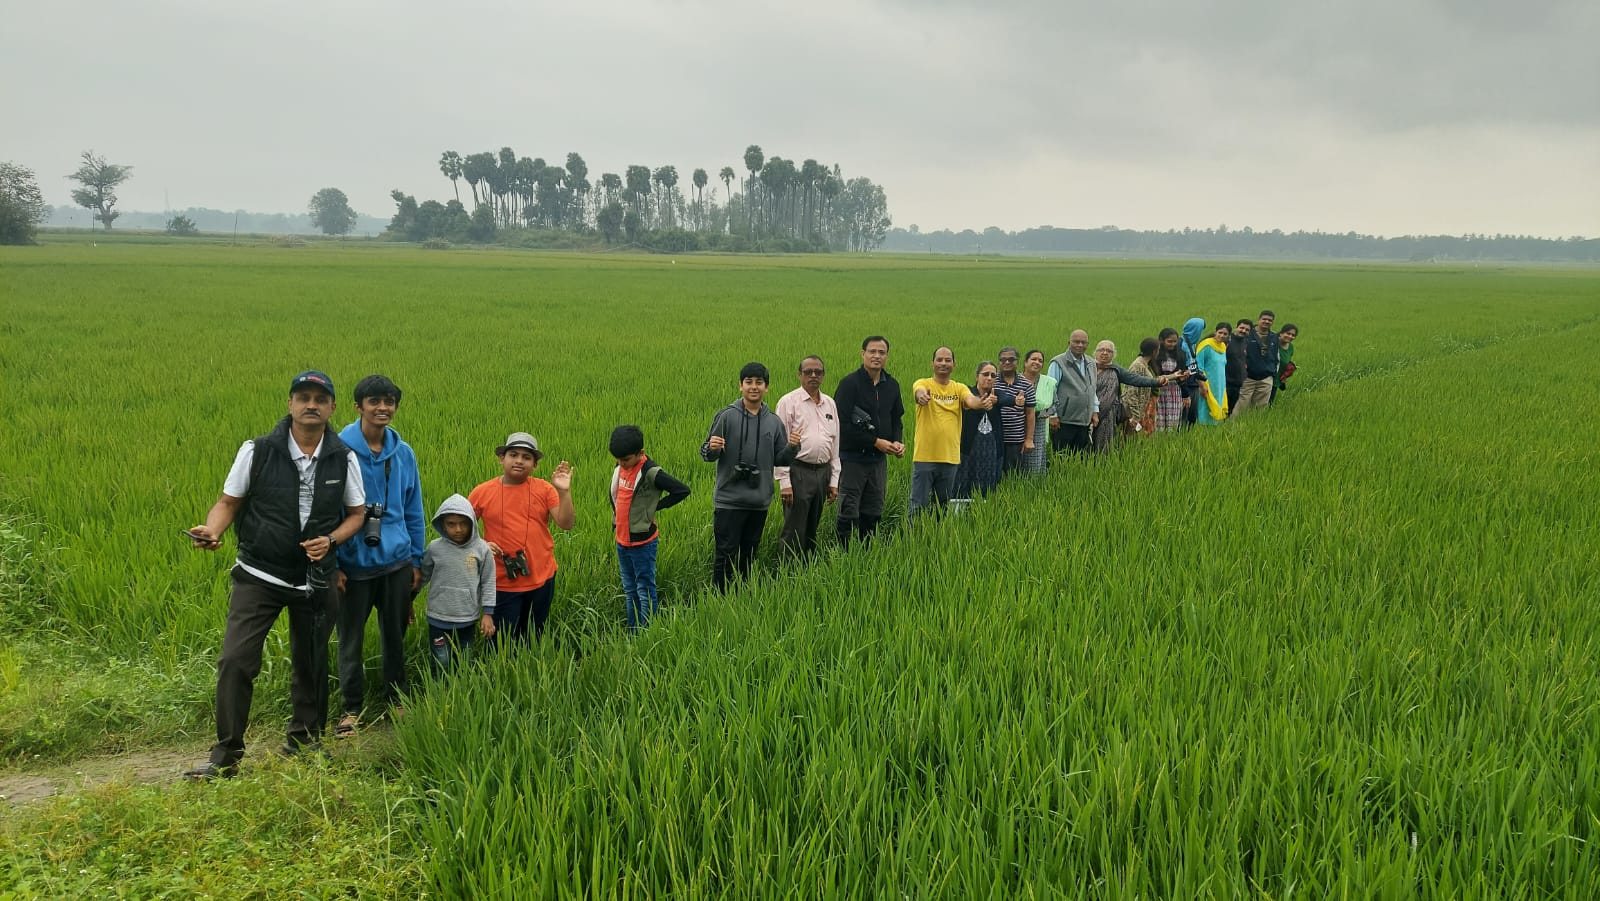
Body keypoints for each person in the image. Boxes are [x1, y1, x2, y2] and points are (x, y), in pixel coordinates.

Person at [183, 370, 366, 781]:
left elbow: (356, 514)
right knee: (236, 660)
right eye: (303, 396)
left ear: (332, 407)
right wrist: (213, 530)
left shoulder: (343, 457)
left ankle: (303, 742)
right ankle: (225, 756)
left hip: (316, 578)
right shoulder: (258, 450)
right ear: (290, 404)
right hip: (258, 574)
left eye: (320, 398)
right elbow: (228, 502)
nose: (311, 404)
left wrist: (332, 540)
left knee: (312, 662)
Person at [332, 374, 426, 738]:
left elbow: (413, 508)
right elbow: (329, 512)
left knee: (395, 635)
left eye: (389, 401)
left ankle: (396, 698)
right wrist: (335, 564)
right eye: (374, 401)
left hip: (397, 563)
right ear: (359, 407)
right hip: (353, 565)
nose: (382, 408)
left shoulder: (404, 453)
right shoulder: (338, 451)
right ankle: (351, 708)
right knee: (350, 637)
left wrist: (416, 560)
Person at [700, 363, 802, 590]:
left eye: (759, 382)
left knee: (749, 555)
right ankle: (720, 600)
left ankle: (743, 597)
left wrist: (793, 447)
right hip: (729, 500)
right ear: (740, 386)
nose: (753, 387)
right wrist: (713, 448)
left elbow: (781, 459)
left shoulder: (774, 422)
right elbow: (706, 454)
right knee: (725, 556)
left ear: (766, 387)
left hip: (759, 501)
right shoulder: (726, 417)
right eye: (748, 382)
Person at [468, 432, 575, 644]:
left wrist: (564, 492)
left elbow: (566, 523)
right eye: (513, 454)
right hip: (501, 582)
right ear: (502, 458)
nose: (519, 461)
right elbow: (461, 530)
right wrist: (479, 544)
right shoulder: (482, 492)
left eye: (526, 457)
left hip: (541, 578)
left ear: (534, 465)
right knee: (501, 644)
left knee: (533, 638)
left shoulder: (544, 489)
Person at [608, 425, 691, 630]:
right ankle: (633, 630)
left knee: (644, 588)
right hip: (622, 540)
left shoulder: (651, 472)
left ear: (640, 454)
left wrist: (655, 508)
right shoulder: (620, 469)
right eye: (618, 459)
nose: (621, 464)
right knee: (630, 589)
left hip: (642, 543)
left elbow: (682, 490)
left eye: (626, 459)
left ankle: (647, 632)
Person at [833, 336, 905, 549]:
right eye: (872, 351)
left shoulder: (891, 385)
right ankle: (845, 554)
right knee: (849, 511)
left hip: (878, 462)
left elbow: (896, 419)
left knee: (873, 511)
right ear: (862, 353)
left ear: (887, 356)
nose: (876, 356)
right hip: (853, 459)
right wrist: (875, 441)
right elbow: (842, 425)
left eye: (881, 352)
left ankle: (867, 553)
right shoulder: (849, 384)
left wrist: (897, 442)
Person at [910, 346, 991, 518]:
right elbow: (919, 392)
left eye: (948, 360)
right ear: (932, 363)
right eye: (939, 359)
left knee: (942, 505)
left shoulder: (959, 388)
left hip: (950, 458)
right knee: (918, 505)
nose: (943, 363)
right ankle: (913, 539)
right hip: (925, 457)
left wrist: (981, 403)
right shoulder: (923, 383)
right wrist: (922, 396)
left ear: (954, 364)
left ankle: (937, 538)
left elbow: (971, 401)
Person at [773, 356, 841, 559]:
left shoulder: (829, 403)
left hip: (822, 472)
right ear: (799, 375)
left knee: (812, 527)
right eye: (808, 372)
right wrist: (784, 482)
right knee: (794, 529)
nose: (813, 376)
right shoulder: (788, 402)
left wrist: (834, 480)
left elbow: (835, 444)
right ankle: (787, 572)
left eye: (818, 372)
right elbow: (780, 446)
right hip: (798, 471)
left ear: (823, 376)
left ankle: (806, 570)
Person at [418, 494, 495, 673]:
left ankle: (462, 689)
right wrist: (407, 601)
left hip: (467, 617)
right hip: (438, 616)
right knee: (441, 659)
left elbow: (488, 581)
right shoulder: (435, 548)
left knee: (464, 659)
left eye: (463, 523)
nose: (458, 529)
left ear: (472, 523)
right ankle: (438, 690)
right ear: (442, 524)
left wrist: (488, 613)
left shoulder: (482, 549)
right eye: (451, 524)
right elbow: (422, 576)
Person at [1091, 340, 1167, 451]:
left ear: (1113, 354)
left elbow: (1135, 379)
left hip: (1108, 415)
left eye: (1109, 351)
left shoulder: (1116, 370)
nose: (1105, 353)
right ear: (1095, 352)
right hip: (1087, 413)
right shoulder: (1087, 368)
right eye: (1101, 350)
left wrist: (1156, 382)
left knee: (1104, 445)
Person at [957, 361, 1004, 498]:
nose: (989, 378)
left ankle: (985, 512)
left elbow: (1008, 398)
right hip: (968, 448)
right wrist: (980, 403)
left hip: (991, 450)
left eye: (993, 375)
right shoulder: (967, 393)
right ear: (977, 376)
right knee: (964, 484)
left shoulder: (996, 396)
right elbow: (968, 401)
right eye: (985, 374)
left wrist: (998, 400)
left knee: (988, 488)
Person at [1047, 330, 1098, 454]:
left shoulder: (1091, 363)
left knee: (1080, 459)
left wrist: (1095, 410)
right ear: (1069, 343)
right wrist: (1052, 415)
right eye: (1076, 342)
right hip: (1063, 421)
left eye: (1083, 342)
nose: (1080, 345)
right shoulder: (1058, 362)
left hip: (1084, 421)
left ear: (1087, 344)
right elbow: (1050, 390)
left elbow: (1092, 389)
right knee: (1061, 457)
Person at [991, 346, 1036, 475]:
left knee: (1013, 475)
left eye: (1011, 359)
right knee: (993, 473)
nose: (1007, 363)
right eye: (1003, 360)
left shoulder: (1026, 385)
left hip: (1015, 438)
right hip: (993, 437)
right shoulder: (991, 381)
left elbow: (1030, 413)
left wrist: (1029, 439)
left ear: (1017, 362)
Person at [1236, 309, 1280, 414]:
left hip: (1266, 379)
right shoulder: (1247, 333)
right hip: (1247, 378)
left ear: (1272, 322)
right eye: (1264, 319)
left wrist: (1273, 372)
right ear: (1259, 319)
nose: (1266, 322)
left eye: (1270, 320)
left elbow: (1276, 356)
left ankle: (1254, 428)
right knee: (1239, 409)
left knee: (1260, 410)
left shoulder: (1274, 337)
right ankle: (1235, 428)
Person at [1021, 349, 1054, 473]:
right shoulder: (1015, 381)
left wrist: (1038, 414)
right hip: (1016, 427)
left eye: (1040, 361)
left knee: (1035, 467)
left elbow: (1056, 406)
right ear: (1025, 362)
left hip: (1038, 428)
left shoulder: (1048, 382)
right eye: (1033, 359)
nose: (1037, 362)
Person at [1121, 338, 1162, 438]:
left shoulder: (1146, 364)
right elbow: (1131, 391)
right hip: (1138, 410)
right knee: (1134, 438)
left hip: (1146, 407)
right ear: (1154, 351)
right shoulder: (1137, 366)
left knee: (1144, 437)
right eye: (1158, 349)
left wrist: (1174, 376)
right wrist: (1135, 415)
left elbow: (1154, 380)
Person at [1151, 329, 1188, 432]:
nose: (1172, 344)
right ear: (1161, 340)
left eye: (1175, 341)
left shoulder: (1180, 354)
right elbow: (1152, 376)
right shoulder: (1155, 355)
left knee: (1173, 422)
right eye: (1169, 341)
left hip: (1174, 393)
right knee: (1158, 420)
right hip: (1159, 392)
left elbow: (1181, 374)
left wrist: (1184, 376)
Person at [1194, 323, 1232, 424]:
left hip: (1219, 385)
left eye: (1225, 334)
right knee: (1205, 408)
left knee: (1218, 406)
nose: (1222, 335)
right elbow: (1198, 366)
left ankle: (1214, 431)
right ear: (1215, 332)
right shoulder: (1206, 345)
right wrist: (1202, 386)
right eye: (1220, 332)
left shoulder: (1223, 347)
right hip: (1207, 383)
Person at [1179, 318, 1208, 426]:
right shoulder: (1182, 345)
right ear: (1195, 330)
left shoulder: (1192, 344)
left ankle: (1187, 438)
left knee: (1192, 417)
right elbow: (1181, 370)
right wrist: (1184, 393)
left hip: (1193, 384)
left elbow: (1193, 365)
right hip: (1186, 386)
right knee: (1183, 418)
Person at [1224, 319, 1252, 413]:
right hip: (1225, 383)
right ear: (1236, 326)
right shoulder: (1227, 340)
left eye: (1247, 330)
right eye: (1241, 328)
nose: (1243, 331)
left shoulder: (1246, 342)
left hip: (1238, 384)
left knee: (1230, 411)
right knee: (1222, 410)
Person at [1273, 323, 1299, 402]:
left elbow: (1286, 361)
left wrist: (1286, 374)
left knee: (1268, 404)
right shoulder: (1273, 343)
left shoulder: (1290, 346)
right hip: (1267, 379)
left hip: (1278, 380)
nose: (1290, 336)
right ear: (1281, 333)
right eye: (1288, 333)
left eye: (1293, 335)